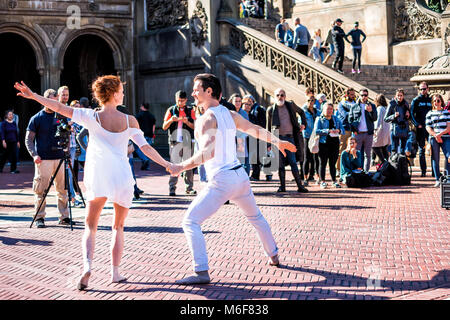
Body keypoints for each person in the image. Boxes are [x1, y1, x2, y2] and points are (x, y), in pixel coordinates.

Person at [15, 76, 170, 291]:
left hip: (99, 175)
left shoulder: (90, 116)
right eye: (121, 91)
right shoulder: (129, 121)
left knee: (91, 225)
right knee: (118, 226)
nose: (123, 94)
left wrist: (33, 96)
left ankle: (87, 266)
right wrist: (167, 164)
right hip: (122, 176)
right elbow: (145, 148)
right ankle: (115, 273)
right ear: (114, 94)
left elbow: (58, 107)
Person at [167, 73, 296, 285]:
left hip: (222, 179)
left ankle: (201, 272)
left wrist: (180, 166)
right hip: (240, 176)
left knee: (190, 221)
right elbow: (255, 129)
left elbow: (207, 153)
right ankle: (273, 255)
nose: (193, 93)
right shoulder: (228, 113)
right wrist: (277, 141)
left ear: (209, 91)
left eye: (196, 89)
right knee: (256, 217)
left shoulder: (206, 118)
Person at [23, 89, 69, 228]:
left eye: (55, 101)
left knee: (63, 190)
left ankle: (64, 217)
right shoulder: (36, 118)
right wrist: (34, 154)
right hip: (43, 159)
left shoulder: (61, 115)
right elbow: (28, 139)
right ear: (44, 100)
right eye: (50, 101)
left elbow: (66, 135)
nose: (53, 103)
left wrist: (67, 152)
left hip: (60, 158)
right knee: (40, 190)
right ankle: (39, 217)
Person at [267, 88, 308, 193]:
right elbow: (268, 128)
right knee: (280, 164)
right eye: (278, 95)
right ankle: (283, 187)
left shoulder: (290, 105)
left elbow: (302, 112)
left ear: (285, 96)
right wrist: (268, 143)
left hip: (290, 138)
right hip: (278, 139)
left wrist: (303, 124)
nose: (280, 97)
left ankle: (300, 186)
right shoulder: (271, 110)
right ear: (275, 96)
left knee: (293, 162)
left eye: (282, 95)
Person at [162, 90, 196, 196]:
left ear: (186, 100)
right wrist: (171, 120)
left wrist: (187, 122)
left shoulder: (191, 110)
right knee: (174, 165)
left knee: (188, 166)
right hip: (174, 141)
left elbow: (195, 127)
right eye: (178, 101)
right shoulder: (171, 110)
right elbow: (164, 126)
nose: (180, 103)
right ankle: (172, 188)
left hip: (187, 141)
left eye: (182, 101)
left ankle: (189, 188)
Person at [314, 102, 345, 189]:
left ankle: (334, 181)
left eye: (331, 109)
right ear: (323, 110)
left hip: (334, 143)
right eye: (327, 109)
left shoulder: (336, 118)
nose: (329, 111)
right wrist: (327, 131)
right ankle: (322, 181)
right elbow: (316, 131)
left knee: (333, 163)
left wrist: (338, 131)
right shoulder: (319, 119)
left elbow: (343, 130)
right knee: (323, 163)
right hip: (323, 143)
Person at [243, 94, 272, 181]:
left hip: (257, 137)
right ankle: (256, 175)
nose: (248, 105)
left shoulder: (258, 111)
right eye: (246, 103)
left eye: (249, 103)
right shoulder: (245, 114)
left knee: (261, 156)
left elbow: (261, 125)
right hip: (250, 138)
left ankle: (265, 174)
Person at [348, 88, 377, 172]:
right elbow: (350, 119)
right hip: (358, 134)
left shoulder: (372, 106)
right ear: (359, 95)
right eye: (362, 95)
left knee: (368, 155)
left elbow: (375, 118)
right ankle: (358, 171)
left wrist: (371, 111)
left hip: (368, 133)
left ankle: (366, 172)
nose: (364, 97)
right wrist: (354, 130)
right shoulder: (354, 106)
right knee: (356, 154)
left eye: (365, 95)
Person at [425, 94, 450, 187]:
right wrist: (435, 135)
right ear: (432, 103)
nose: (436, 103)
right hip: (433, 138)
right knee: (435, 158)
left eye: (438, 101)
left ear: (441, 101)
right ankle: (437, 179)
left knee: (449, 157)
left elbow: (449, 127)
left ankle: (447, 177)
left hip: (445, 137)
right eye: (434, 101)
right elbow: (428, 127)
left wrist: (440, 135)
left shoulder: (446, 112)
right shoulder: (429, 113)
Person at [410, 82, 432, 177]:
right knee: (421, 150)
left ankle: (434, 172)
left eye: (424, 89)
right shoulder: (416, 100)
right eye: (421, 89)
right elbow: (411, 114)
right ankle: (423, 171)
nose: (423, 91)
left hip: (430, 128)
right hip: (421, 128)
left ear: (428, 89)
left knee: (433, 149)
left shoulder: (431, 100)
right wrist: (417, 124)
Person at [336, 88, 357, 174]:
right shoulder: (341, 104)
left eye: (354, 94)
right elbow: (344, 115)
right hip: (344, 129)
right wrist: (353, 113)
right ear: (347, 95)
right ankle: (338, 169)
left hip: (354, 129)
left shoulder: (355, 103)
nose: (353, 96)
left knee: (352, 150)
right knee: (342, 150)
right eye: (351, 94)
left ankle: (349, 168)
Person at [229, 93, 250, 175]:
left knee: (244, 160)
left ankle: (245, 177)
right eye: (236, 101)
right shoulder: (228, 112)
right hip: (230, 139)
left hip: (241, 138)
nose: (238, 103)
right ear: (232, 102)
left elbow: (247, 126)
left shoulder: (244, 113)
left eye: (239, 101)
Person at [384, 88, 410, 154]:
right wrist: (393, 116)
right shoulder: (392, 104)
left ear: (403, 96)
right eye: (398, 95)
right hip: (395, 129)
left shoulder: (406, 104)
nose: (399, 97)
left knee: (402, 149)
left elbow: (409, 118)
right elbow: (385, 119)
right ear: (395, 96)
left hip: (404, 129)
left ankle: (402, 163)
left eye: (401, 95)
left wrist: (408, 115)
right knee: (394, 149)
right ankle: (394, 164)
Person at [301, 95, 319, 184]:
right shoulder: (304, 112)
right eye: (309, 100)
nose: (310, 102)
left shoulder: (317, 112)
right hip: (307, 136)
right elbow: (301, 123)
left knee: (316, 157)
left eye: (312, 100)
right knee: (306, 157)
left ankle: (314, 176)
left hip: (316, 136)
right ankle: (305, 178)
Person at [135, 102, 156, 171]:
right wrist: (153, 134)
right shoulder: (151, 116)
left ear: (143, 106)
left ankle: (145, 159)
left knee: (138, 149)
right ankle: (147, 166)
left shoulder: (139, 116)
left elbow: (136, 125)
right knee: (148, 150)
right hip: (150, 135)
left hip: (142, 135)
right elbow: (153, 126)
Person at [372, 94, 391, 164]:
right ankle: (388, 163)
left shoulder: (379, 108)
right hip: (387, 131)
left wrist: (374, 129)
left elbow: (378, 120)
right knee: (384, 148)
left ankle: (383, 161)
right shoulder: (386, 108)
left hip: (381, 131)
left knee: (374, 146)